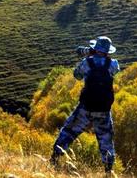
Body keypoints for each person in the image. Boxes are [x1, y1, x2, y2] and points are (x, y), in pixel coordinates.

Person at [50, 36, 120, 174]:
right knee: (106, 140)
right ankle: (108, 171)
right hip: (103, 111)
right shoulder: (113, 64)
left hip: (85, 108)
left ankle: (55, 158)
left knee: (69, 131)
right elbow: (115, 71)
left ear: (95, 48)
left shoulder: (86, 63)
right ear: (108, 51)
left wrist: (89, 55)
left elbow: (77, 75)